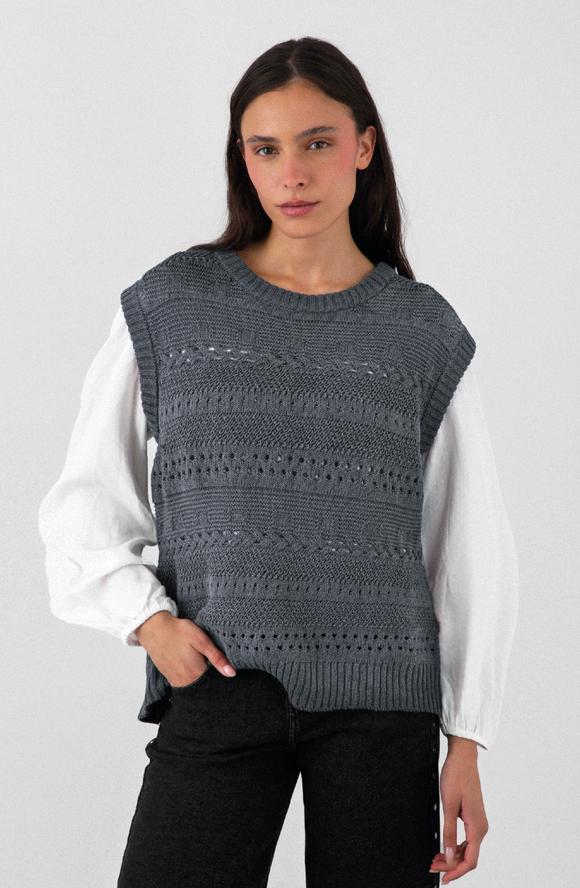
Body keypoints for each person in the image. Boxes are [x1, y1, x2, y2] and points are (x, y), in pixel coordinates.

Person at [38, 37, 518, 888]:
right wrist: (149, 624)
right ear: (243, 160)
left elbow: (469, 546)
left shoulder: (420, 331)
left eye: (316, 143)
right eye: (265, 149)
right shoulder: (173, 307)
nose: (291, 174)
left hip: (382, 708)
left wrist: (468, 741)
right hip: (220, 685)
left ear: (363, 147)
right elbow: (86, 501)